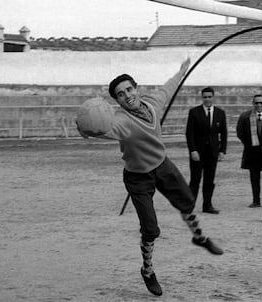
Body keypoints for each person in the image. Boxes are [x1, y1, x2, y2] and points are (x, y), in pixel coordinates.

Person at [76, 58, 223, 297]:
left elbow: (168, 88)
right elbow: (99, 129)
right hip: (137, 177)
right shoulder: (120, 122)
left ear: (137, 89)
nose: (127, 95)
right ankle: (147, 269)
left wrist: (181, 71)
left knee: (187, 201)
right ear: (118, 101)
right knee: (151, 229)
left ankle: (199, 237)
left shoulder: (153, 103)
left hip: (162, 165)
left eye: (129, 89)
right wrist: (84, 129)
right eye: (121, 95)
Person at [185, 87, 227, 214]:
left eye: (209, 97)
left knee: (209, 181)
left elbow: (224, 133)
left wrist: (222, 150)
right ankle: (189, 206)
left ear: (213, 97)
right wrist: (193, 150)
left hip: (212, 153)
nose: (207, 99)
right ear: (202, 98)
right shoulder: (194, 112)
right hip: (198, 153)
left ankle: (207, 205)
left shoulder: (220, 113)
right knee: (195, 180)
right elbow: (189, 133)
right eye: (205, 97)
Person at [236, 94, 262, 209]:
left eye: (261, 103)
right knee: (254, 178)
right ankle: (256, 201)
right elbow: (240, 133)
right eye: (256, 103)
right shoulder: (245, 116)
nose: (259, 105)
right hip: (252, 153)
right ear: (253, 104)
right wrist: (250, 144)